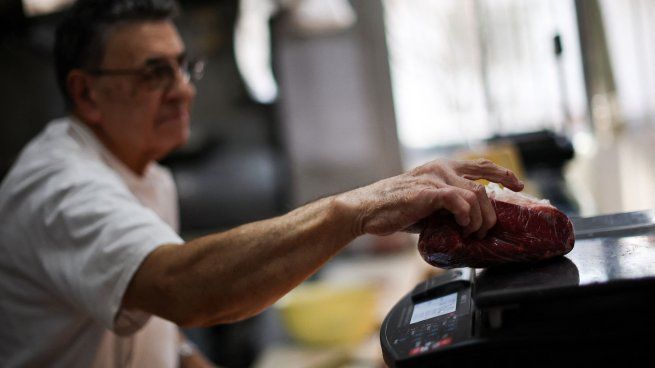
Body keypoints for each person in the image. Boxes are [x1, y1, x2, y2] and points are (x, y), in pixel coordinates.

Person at [0, 0, 524, 367]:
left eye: (183, 67)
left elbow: (159, 332)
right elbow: (182, 289)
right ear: (86, 94)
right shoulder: (59, 189)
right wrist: (357, 209)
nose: (183, 90)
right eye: (154, 73)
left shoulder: (149, 175)